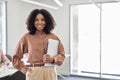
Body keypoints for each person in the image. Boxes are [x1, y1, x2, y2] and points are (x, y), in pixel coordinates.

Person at [12, 9, 65, 80]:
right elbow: (15, 58)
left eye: (43, 20)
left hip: (50, 71)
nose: (40, 22)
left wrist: (53, 59)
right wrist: (24, 69)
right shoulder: (26, 37)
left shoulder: (53, 37)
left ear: (47, 21)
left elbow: (62, 54)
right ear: (32, 22)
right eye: (36, 20)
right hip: (34, 72)